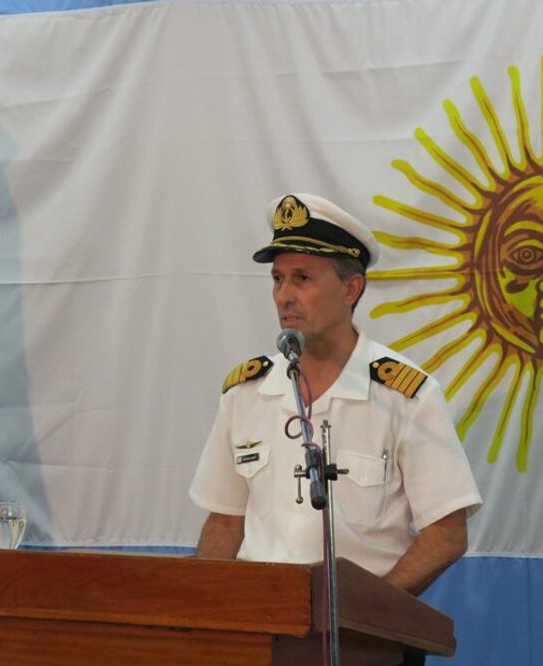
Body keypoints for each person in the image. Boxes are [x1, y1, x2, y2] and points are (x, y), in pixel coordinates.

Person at [189, 193, 482, 596]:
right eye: (278, 279)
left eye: (302, 279)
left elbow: (446, 533)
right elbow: (224, 521)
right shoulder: (247, 392)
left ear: (351, 289)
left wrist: (368, 616)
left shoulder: (404, 395)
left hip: (360, 641)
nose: (284, 296)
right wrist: (209, 615)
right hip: (259, 629)